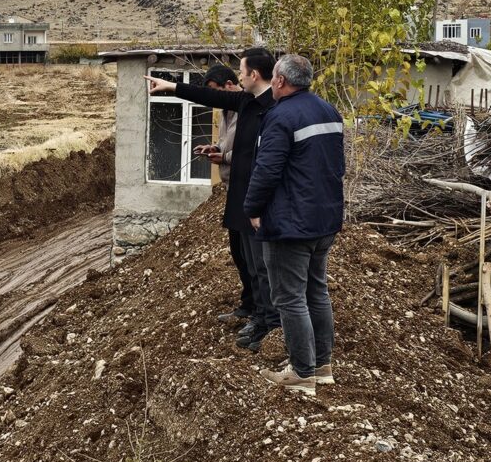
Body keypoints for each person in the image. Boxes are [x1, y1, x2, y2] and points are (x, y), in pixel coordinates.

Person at [145, 48, 278, 352]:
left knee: (261, 265)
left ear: (253, 74)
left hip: (257, 198)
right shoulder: (246, 101)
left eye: (242, 71)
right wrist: (172, 87)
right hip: (240, 195)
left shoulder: (274, 108)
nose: (239, 76)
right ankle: (258, 314)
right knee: (246, 258)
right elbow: (211, 98)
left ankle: (269, 323)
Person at [243, 54, 345, 396]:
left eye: (273, 77)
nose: (272, 82)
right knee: (316, 291)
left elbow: (267, 169)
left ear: (281, 81)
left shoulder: (281, 116)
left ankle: (302, 373)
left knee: (289, 297)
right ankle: (322, 365)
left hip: (291, 223)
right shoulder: (328, 111)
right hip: (324, 219)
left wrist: (253, 209)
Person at [191, 64, 254, 321]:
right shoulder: (228, 112)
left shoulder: (247, 109)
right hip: (232, 188)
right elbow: (228, 142)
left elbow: (249, 151)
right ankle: (249, 304)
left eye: (216, 92)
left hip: (247, 190)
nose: (215, 100)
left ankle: (259, 310)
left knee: (251, 255)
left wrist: (224, 157)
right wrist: (214, 147)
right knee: (239, 253)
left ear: (230, 85)